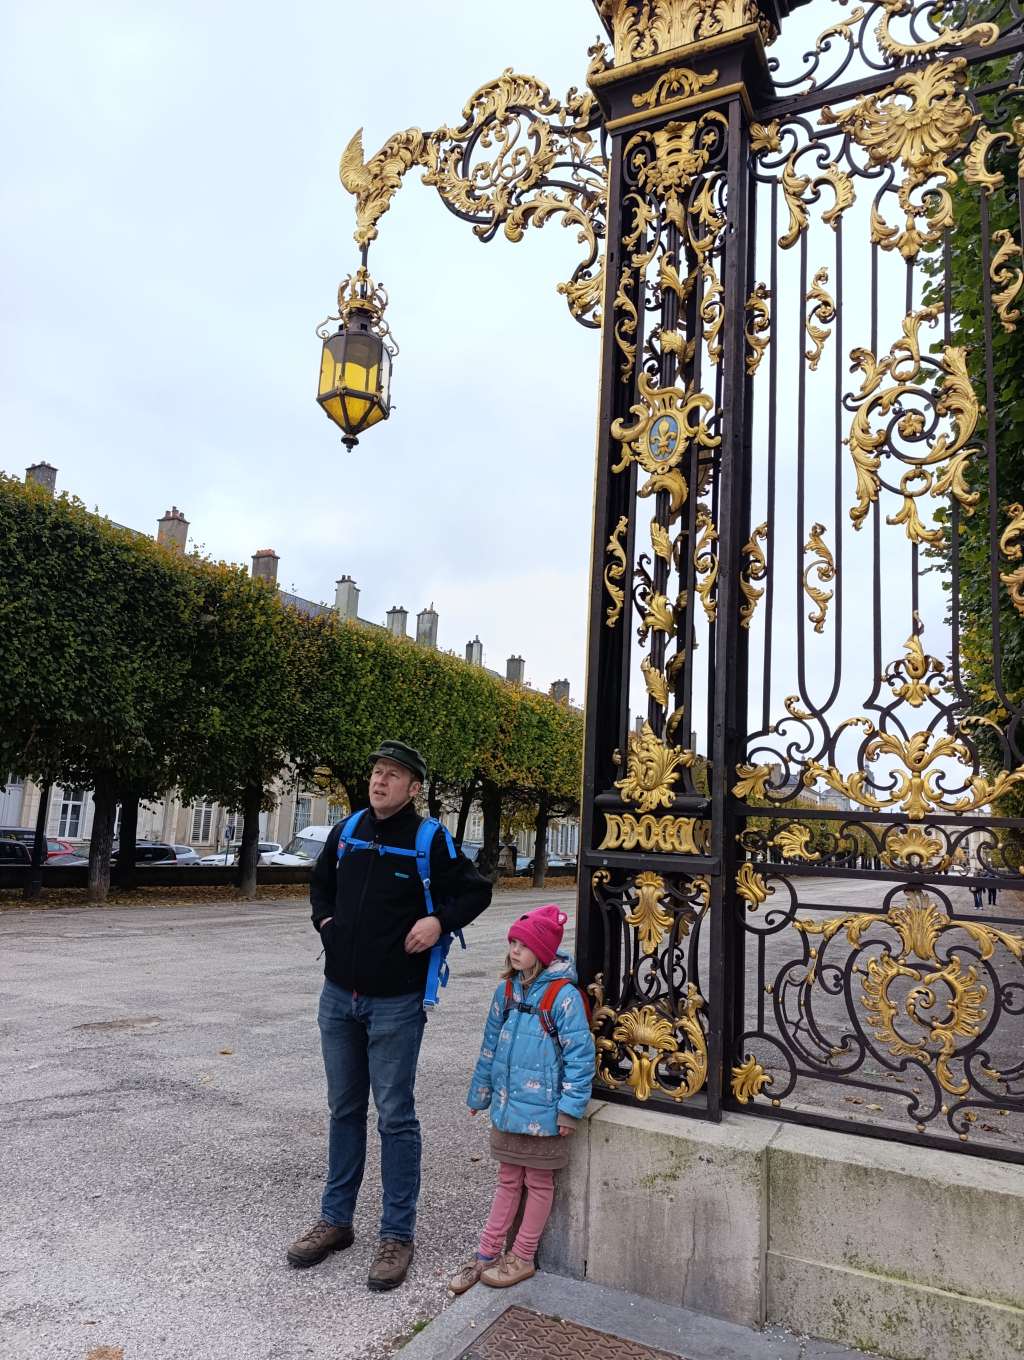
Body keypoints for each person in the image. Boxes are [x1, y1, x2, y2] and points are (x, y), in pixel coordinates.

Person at [287, 740, 492, 1291]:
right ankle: (335, 1222)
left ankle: (396, 1235)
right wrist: (325, 925)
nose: (380, 781)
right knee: (343, 1109)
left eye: (393, 775)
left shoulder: (430, 839)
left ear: (413, 788)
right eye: (377, 772)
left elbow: (477, 892)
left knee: (395, 1116)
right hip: (339, 996)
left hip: (396, 1002)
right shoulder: (347, 830)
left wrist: (438, 924)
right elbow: (320, 887)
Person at [450, 904, 595, 1293]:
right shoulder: (506, 991)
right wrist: (480, 1094)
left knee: (539, 1183)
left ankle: (523, 1256)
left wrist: (569, 1110)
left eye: (523, 945)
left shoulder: (563, 997)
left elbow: (580, 1057)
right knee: (507, 1179)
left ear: (543, 951)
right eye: (512, 942)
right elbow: (490, 1047)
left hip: (545, 1113)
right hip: (508, 1108)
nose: (515, 950)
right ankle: (486, 1253)